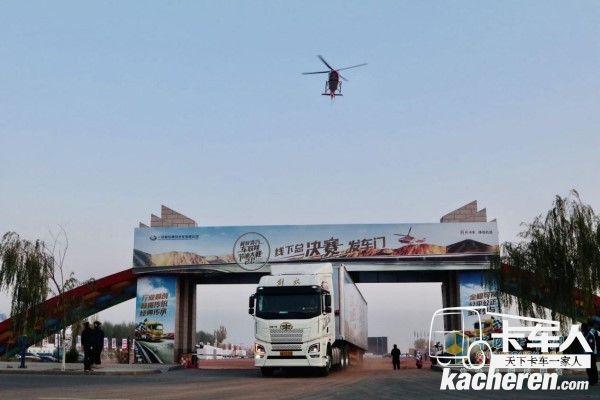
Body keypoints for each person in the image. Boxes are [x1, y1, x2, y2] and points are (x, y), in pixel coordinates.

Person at [583, 321, 598, 385]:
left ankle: (592, 380)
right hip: (590, 353)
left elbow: (591, 344)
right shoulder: (587, 333)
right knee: (592, 367)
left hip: (591, 353)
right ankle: (594, 379)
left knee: (591, 367)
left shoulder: (590, 333)